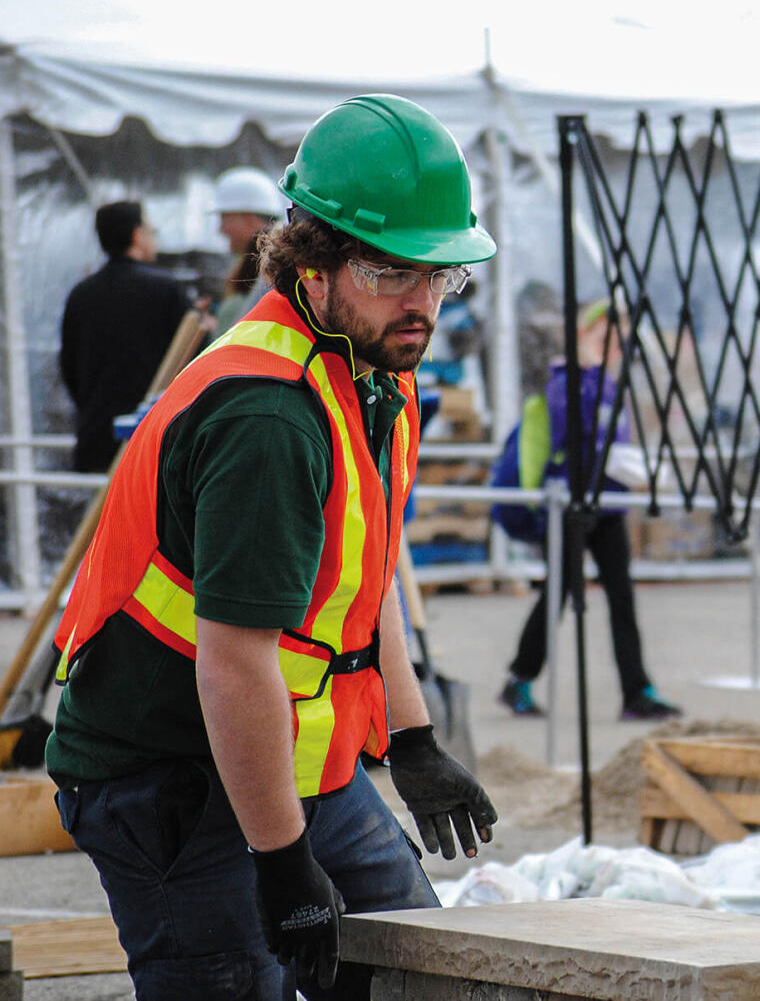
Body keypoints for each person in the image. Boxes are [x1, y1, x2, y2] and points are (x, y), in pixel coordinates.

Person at [45, 94, 499, 1000]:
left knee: (425, 973)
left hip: (277, 752)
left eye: (440, 277)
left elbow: (364, 583)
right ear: (312, 262)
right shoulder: (269, 415)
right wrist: (283, 861)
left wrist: (411, 736)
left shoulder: (372, 369)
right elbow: (233, 666)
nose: (421, 306)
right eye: (391, 272)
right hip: (168, 777)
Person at [492, 299, 683, 722]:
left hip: (608, 505)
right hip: (570, 504)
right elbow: (573, 436)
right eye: (606, 334)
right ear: (586, 333)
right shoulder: (569, 380)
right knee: (557, 594)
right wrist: (590, 371)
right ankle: (519, 678)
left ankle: (637, 691)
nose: (616, 343)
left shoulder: (610, 385)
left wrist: (632, 472)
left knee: (622, 596)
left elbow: (614, 443)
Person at [58, 200, 192, 473]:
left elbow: (69, 367)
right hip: (156, 443)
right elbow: (196, 360)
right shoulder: (166, 291)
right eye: (151, 232)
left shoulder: (81, 294)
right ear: (136, 235)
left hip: (97, 439)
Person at [210, 166, 284, 335]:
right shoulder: (247, 264)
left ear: (249, 218)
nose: (221, 229)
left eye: (225, 218)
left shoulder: (273, 269)